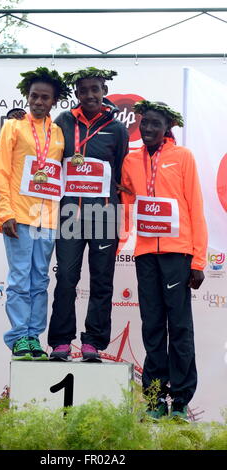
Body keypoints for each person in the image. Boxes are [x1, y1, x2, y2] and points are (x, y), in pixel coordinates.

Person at [7, 67, 129, 362]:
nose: (89, 95)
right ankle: (61, 341)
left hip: (104, 215)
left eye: (95, 90)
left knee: (102, 280)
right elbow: (41, 141)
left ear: (104, 92)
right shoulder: (62, 122)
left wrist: (120, 222)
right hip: (68, 214)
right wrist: (17, 117)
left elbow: (123, 177)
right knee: (66, 279)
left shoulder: (117, 130)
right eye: (84, 90)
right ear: (76, 94)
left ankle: (93, 343)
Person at [121, 100, 208, 420]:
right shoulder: (130, 160)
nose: (147, 130)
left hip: (178, 254)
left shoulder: (182, 157)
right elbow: (126, 201)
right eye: (144, 124)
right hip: (145, 254)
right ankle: (155, 398)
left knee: (180, 327)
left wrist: (198, 260)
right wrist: (118, 243)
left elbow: (195, 208)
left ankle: (181, 401)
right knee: (153, 327)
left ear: (167, 128)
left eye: (154, 125)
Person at [0, 67, 71, 361]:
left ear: (54, 101)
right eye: (34, 96)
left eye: (44, 97)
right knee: (19, 279)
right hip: (19, 216)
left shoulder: (59, 133)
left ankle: (34, 336)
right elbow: (1, 171)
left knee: (40, 280)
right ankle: (18, 336)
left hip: (47, 218)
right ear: (27, 97)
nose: (38, 101)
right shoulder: (12, 127)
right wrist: (4, 213)